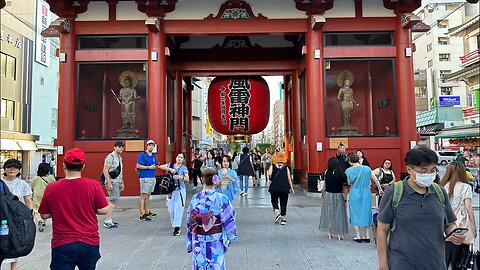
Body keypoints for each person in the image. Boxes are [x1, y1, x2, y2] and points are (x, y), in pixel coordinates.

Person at [377, 146, 464, 270]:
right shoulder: (394, 192)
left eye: (433, 170)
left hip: (436, 263)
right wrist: (383, 265)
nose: (429, 174)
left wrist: (455, 234)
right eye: (423, 171)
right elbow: (382, 230)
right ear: (409, 170)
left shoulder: (439, 192)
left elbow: (449, 224)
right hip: (402, 264)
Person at [38, 148, 111, 270]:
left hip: (62, 243)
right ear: (83, 167)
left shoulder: (52, 187)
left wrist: (58, 210)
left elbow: (44, 215)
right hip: (89, 241)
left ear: (64, 166)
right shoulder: (93, 185)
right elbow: (104, 210)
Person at [186, 167, 237, 269]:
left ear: (202, 179)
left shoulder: (195, 198)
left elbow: (190, 221)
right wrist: (230, 236)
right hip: (215, 239)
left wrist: (190, 241)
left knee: (200, 264)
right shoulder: (222, 198)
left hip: (198, 239)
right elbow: (229, 220)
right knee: (215, 265)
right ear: (216, 179)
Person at [440, 161, 477, 269]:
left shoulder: (442, 187)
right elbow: (469, 208)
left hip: (446, 224)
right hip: (460, 224)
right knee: (460, 257)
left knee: (447, 256)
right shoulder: (465, 187)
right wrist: (474, 227)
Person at [2, 159, 33, 270]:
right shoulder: (1, 182)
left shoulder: (22, 184)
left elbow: (28, 200)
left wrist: (30, 216)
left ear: (19, 170)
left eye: (15, 167)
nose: (12, 169)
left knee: (15, 242)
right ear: (5, 169)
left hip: (16, 218)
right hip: (2, 216)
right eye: (9, 167)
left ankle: (13, 268)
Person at [345, 152, 382, 243]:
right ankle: (367, 235)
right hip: (366, 192)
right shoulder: (367, 168)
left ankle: (358, 235)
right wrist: (380, 189)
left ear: (350, 161)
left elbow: (349, 183)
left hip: (355, 192)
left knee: (355, 212)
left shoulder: (348, 171)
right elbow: (376, 180)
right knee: (366, 212)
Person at [159, 153, 189, 236]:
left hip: (180, 190)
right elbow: (160, 166)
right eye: (178, 157)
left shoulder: (184, 168)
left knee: (178, 209)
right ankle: (174, 222)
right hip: (170, 190)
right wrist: (170, 169)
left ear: (183, 160)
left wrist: (180, 177)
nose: (179, 158)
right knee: (171, 209)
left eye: (181, 157)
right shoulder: (171, 165)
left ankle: (177, 227)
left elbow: (187, 179)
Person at [319, 158, 349, 240]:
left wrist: (323, 193)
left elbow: (324, 185)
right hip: (339, 195)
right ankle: (340, 234)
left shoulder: (326, 172)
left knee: (330, 214)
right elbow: (346, 186)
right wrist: (345, 197)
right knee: (339, 214)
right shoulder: (342, 173)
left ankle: (330, 232)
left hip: (328, 195)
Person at [102, 141, 125, 229]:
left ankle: (110, 219)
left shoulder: (119, 157)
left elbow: (119, 171)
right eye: (119, 147)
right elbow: (105, 170)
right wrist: (108, 182)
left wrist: (122, 182)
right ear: (114, 147)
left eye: (122, 147)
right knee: (113, 200)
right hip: (112, 181)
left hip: (117, 181)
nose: (121, 148)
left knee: (115, 201)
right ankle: (107, 220)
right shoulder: (110, 157)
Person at [268, 152, 294, 225]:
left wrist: (271, 178)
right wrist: (292, 188)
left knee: (274, 201)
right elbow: (289, 179)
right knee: (283, 202)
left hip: (274, 187)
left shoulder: (272, 166)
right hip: (284, 187)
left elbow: (269, 174)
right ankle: (283, 219)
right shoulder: (286, 168)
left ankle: (278, 213)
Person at [136, 140, 158, 222]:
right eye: (150, 145)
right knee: (143, 195)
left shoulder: (153, 155)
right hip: (145, 177)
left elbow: (155, 164)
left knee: (148, 195)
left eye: (153, 145)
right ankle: (142, 214)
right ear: (147, 146)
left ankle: (147, 211)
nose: (151, 146)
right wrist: (148, 167)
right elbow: (138, 165)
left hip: (152, 177)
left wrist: (155, 166)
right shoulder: (143, 154)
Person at [30, 162, 55, 232]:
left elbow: (31, 187)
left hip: (37, 195)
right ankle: (43, 222)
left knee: (36, 209)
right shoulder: (51, 177)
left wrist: (32, 195)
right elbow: (54, 186)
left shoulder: (35, 178)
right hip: (47, 195)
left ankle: (39, 220)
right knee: (45, 209)